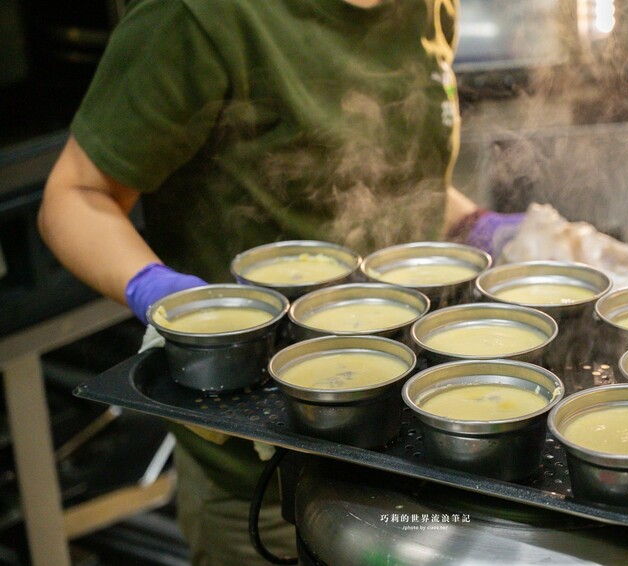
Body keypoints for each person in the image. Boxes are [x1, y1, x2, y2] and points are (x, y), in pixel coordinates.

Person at [38, 0, 521, 564]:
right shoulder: (196, 16)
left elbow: (390, 185)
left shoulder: (429, 7)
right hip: (264, 476)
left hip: (416, 444)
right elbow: (73, 196)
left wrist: (478, 226)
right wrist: (156, 288)